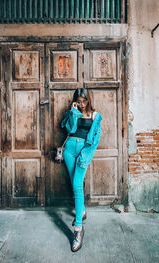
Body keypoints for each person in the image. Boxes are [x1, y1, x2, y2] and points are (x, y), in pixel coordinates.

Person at [60, 88, 103, 252]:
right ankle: (82, 210)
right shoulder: (74, 112)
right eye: (79, 101)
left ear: (88, 100)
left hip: (83, 152)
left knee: (77, 185)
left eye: (84, 101)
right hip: (69, 149)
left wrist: (84, 156)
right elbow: (70, 129)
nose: (82, 104)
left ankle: (78, 229)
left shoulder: (95, 116)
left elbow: (94, 141)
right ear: (75, 101)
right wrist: (73, 112)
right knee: (74, 182)